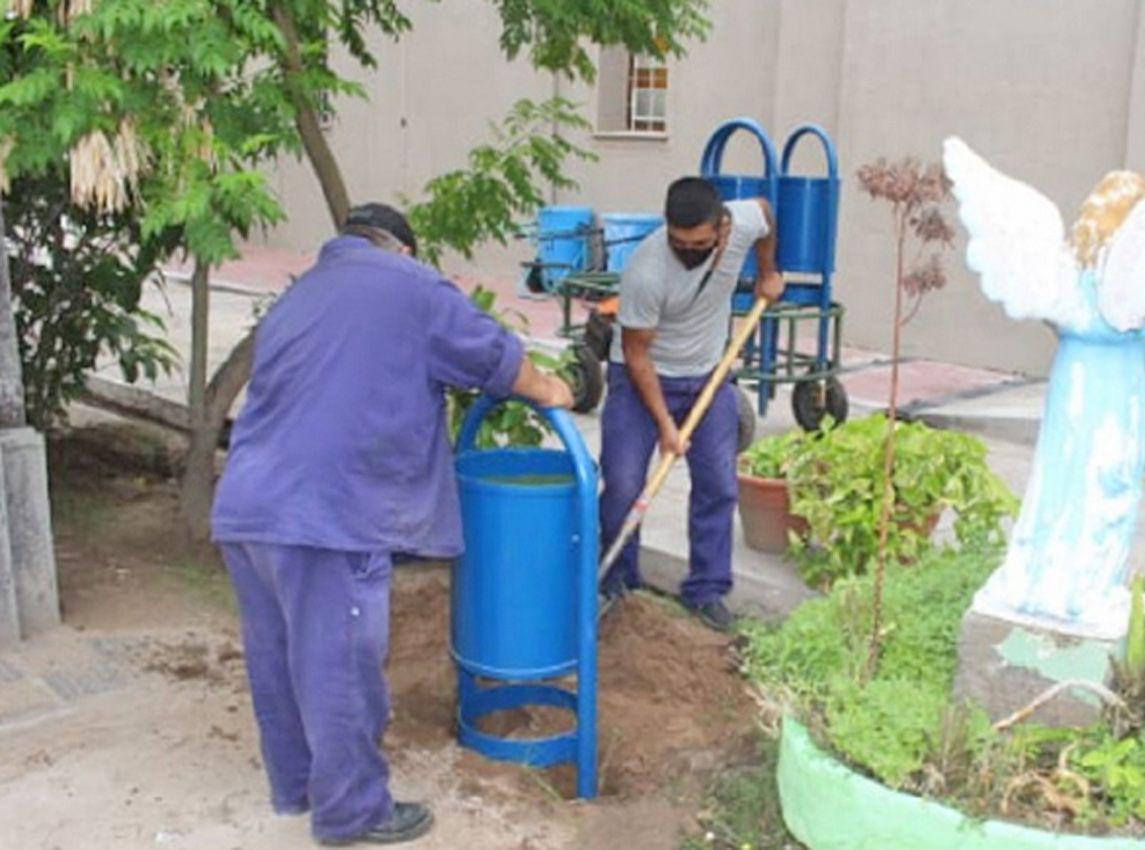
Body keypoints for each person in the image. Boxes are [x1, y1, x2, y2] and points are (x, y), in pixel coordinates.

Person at [211, 203, 573, 846]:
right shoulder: (409, 284)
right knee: (340, 665)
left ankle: (296, 787)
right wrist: (550, 389)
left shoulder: (301, 296)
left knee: (280, 656)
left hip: (248, 506)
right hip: (328, 514)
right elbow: (493, 356)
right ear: (402, 250)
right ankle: (351, 813)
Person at [599, 178, 783, 632]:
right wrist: (665, 425)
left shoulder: (741, 222)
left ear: (722, 228)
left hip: (709, 376)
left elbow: (765, 212)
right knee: (623, 485)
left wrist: (767, 271)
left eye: (699, 244)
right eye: (679, 244)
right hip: (642, 379)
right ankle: (617, 587)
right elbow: (638, 354)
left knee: (719, 483)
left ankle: (707, 590)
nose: (688, 252)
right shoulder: (646, 270)